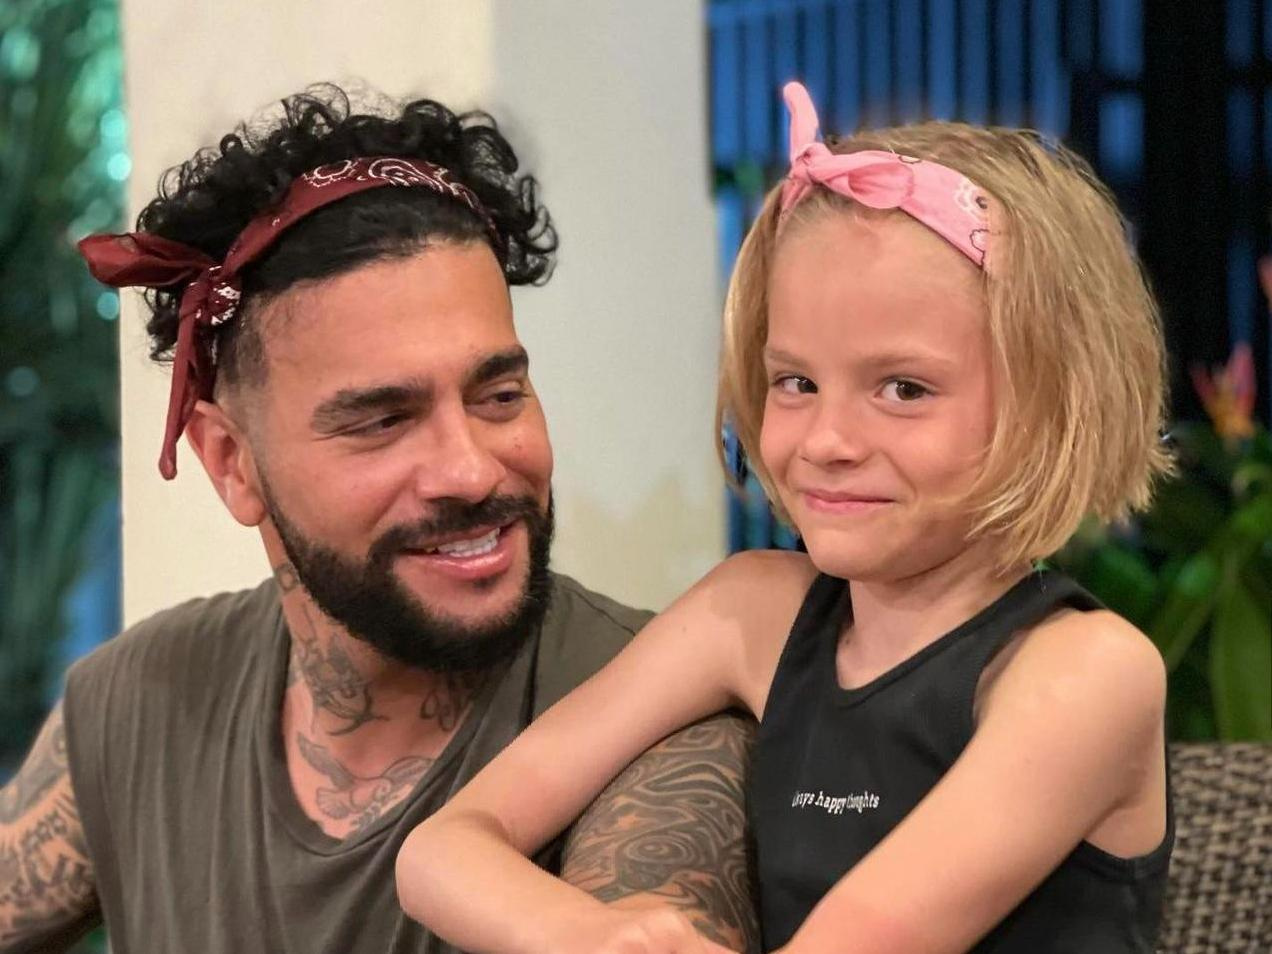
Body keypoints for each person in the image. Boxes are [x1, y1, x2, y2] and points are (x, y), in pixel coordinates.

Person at [396, 81, 1175, 954]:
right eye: (796, 382)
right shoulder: (755, 613)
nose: (827, 441)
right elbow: (439, 850)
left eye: (904, 389)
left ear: (1051, 404)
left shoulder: (1086, 674)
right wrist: (593, 934)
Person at [0, 87, 758, 954]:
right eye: (383, 421)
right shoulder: (140, 703)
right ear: (231, 462)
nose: (471, 470)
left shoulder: (665, 718)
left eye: (499, 395)